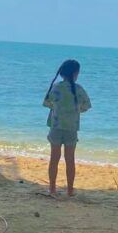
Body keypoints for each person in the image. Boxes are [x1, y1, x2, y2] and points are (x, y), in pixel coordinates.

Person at [43, 59, 91, 197]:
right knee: (70, 160)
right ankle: (70, 190)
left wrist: (57, 108)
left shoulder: (56, 87)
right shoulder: (78, 89)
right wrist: (76, 110)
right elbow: (87, 106)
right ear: (75, 73)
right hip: (71, 128)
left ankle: (52, 188)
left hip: (56, 127)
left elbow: (47, 102)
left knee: (54, 158)